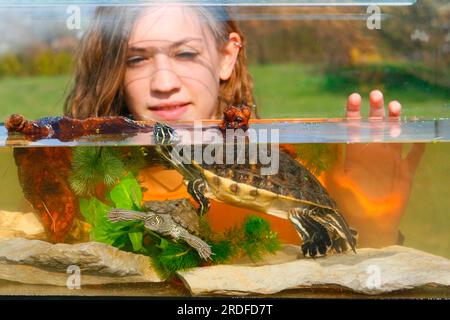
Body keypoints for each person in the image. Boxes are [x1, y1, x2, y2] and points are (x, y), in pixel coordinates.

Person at [64, 3, 424, 248]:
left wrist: (376, 225)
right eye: (137, 59)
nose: (163, 82)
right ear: (116, 71)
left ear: (226, 57)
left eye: (185, 53)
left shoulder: (290, 165)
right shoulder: (90, 183)